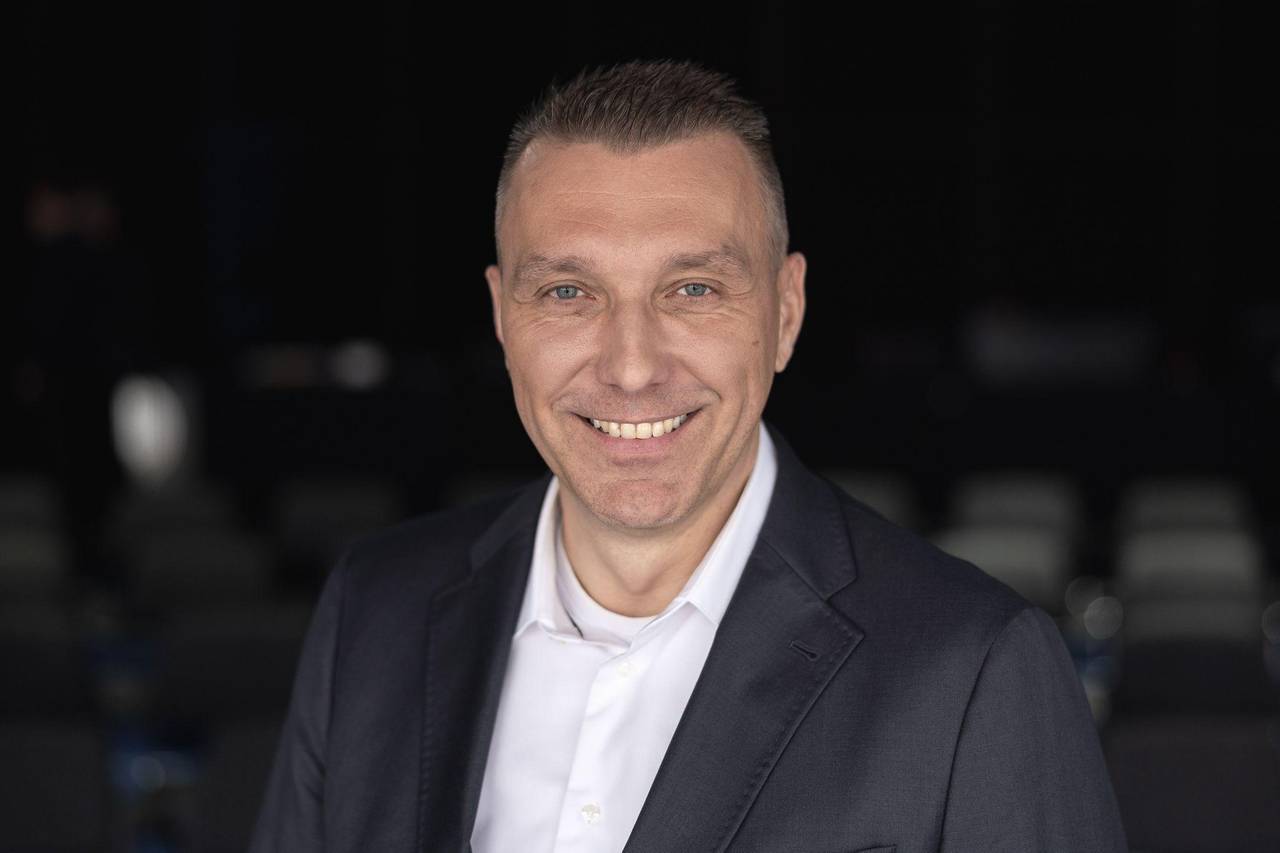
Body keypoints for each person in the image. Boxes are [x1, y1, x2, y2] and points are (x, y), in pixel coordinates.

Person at [250, 58, 1129, 853]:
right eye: (568, 291)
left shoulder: (977, 668)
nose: (632, 365)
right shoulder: (372, 611)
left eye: (694, 288)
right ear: (501, 316)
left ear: (785, 312)